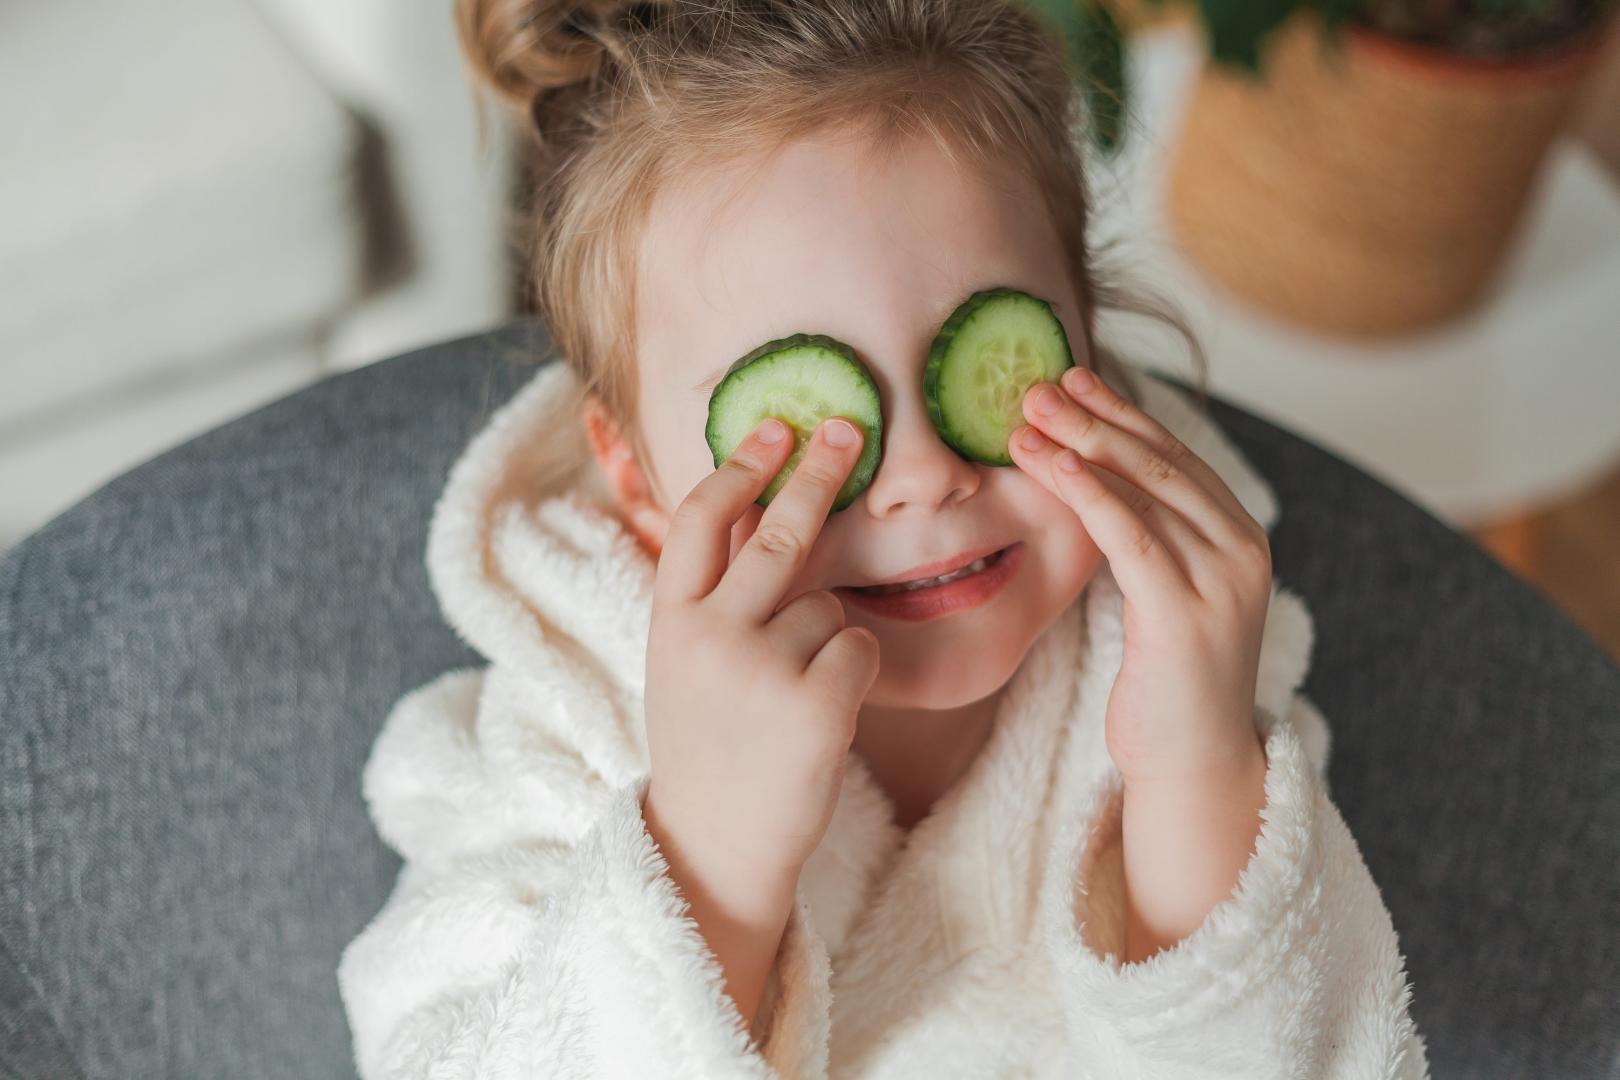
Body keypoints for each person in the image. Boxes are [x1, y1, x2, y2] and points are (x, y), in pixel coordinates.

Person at [337, 1, 1430, 1076]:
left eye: (984, 370)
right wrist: (708, 863)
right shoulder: (563, 727)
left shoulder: (1180, 659)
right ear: (635, 472)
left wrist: (1198, 763)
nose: (922, 478)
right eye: (812, 426)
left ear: (1086, 339)